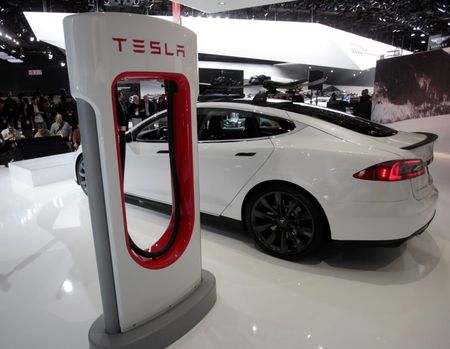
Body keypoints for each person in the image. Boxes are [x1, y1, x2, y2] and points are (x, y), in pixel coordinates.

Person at [116, 91, 128, 175]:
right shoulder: (117, 104)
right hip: (119, 133)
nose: (123, 96)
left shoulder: (121, 104)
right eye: (122, 95)